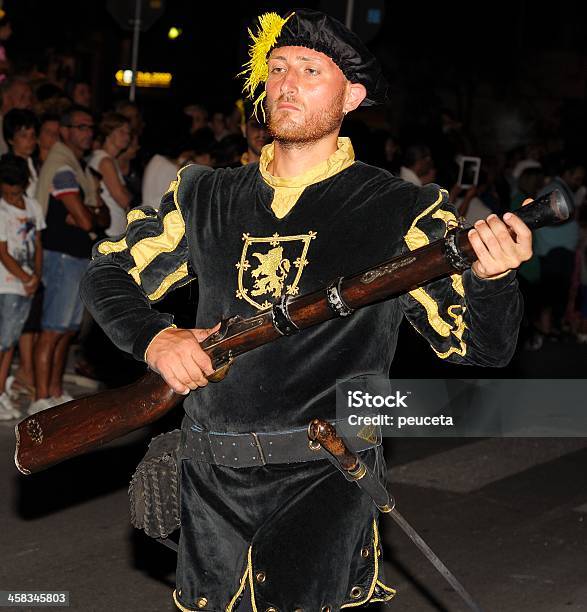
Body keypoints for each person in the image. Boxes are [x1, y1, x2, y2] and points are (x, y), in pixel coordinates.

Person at [81, 9, 532, 611]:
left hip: (324, 475)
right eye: (278, 68)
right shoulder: (203, 194)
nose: (287, 83)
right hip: (210, 477)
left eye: (311, 70)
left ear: (353, 96)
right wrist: (156, 339)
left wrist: (494, 280)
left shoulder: (402, 211)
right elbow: (109, 269)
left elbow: (482, 347)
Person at [31, 104, 107, 414]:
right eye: (81, 127)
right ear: (65, 131)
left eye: (91, 128)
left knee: (65, 330)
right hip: (61, 256)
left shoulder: (78, 166)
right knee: (53, 330)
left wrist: (89, 214)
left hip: (74, 255)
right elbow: (89, 220)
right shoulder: (63, 167)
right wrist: (89, 215)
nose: (88, 133)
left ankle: (54, 390)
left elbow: (97, 214)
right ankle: (40, 396)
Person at [0, 155, 44, 419]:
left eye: (16, 193)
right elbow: (3, 252)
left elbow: (38, 244)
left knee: (10, 343)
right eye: (6, 193)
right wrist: (26, 279)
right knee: (3, 344)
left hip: (27, 283)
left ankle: (2, 391)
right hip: (7, 284)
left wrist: (36, 275)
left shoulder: (33, 207)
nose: (12, 199)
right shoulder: (1, 210)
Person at [88, 112, 132, 237]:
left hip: (113, 229)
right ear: (108, 132)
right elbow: (123, 199)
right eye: (121, 132)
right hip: (110, 230)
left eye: (128, 133)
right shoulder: (105, 161)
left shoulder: (108, 159)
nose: (127, 137)